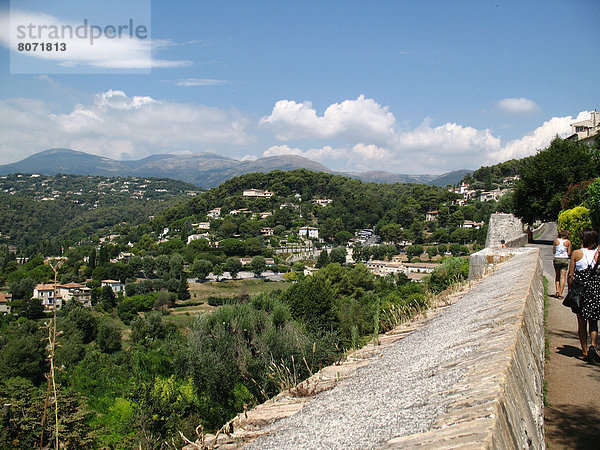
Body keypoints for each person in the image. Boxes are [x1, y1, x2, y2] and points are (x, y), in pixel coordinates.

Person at [567, 229, 599, 363]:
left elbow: (570, 274)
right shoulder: (598, 255)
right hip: (595, 290)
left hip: (581, 291)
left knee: (581, 322)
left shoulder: (576, 253)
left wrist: (570, 289)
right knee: (593, 321)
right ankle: (594, 346)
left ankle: (584, 352)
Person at [552, 229, 571, 299]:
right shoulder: (568, 242)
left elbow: (554, 251)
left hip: (557, 258)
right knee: (563, 277)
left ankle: (557, 290)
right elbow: (569, 253)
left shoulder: (556, 241)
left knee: (557, 276)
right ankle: (560, 293)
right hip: (564, 259)